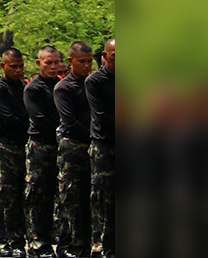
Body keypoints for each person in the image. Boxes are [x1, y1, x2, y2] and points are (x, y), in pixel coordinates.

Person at [55, 41, 94, 258]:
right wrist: (93, 134)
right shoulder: (64, 88)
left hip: (92, 146)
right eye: (82, 61)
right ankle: (66, 246)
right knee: (71, 198)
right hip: (73, 147)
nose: (87, 66)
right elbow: (68, 121)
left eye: (90, 61)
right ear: (70, 61)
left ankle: (85, 246)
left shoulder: (93, 84)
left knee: (90, 199)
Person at [25, 45, 62, 258]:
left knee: (60, 196)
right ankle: (38, 242)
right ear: (39, 63)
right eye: (48, 62)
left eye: (56, 62)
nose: (53, 66)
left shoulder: (61, 85)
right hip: (41, 146)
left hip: (59, 147)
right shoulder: (33, 88)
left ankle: (56, 239)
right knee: (39, 195)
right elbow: (39, 119)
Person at [0, 48, 28, 258]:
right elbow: (8, 117)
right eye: (13, 66)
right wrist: (30, 126)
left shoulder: (24, 87)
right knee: (7, 195)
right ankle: (3, 240)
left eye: (21, 66)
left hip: (24, 145)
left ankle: (20, 239)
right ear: (3, 66)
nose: (18, 70)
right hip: (7, 146)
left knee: (24, 195)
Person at [85, 39, 114, 258]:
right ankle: (101, 245)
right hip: (104, 146)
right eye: (115, 56)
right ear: (105, 55)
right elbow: (102, 117)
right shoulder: (94, 81)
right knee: (103, 197)